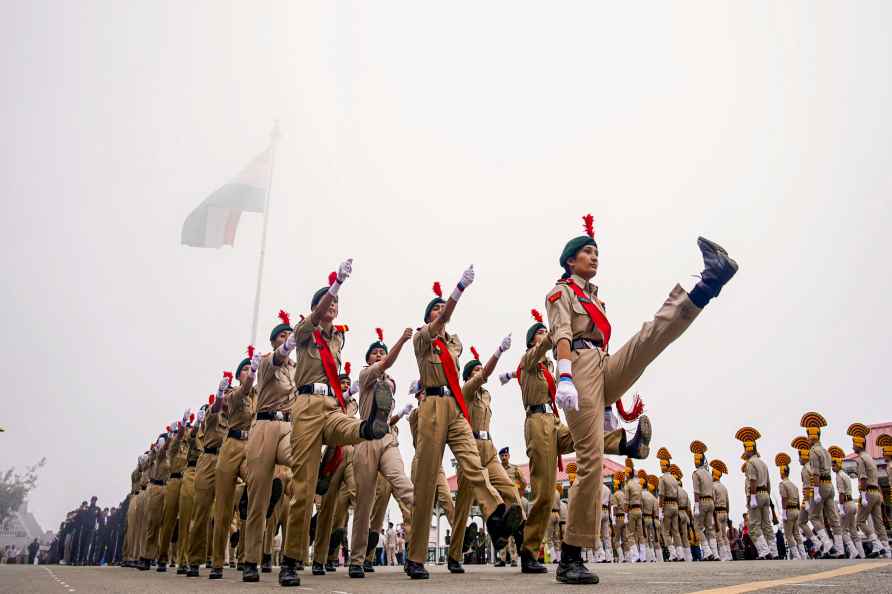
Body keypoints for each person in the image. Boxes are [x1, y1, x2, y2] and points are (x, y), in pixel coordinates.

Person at [543, 215, 737, 584]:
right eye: (587, 252)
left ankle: (708, 283)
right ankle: (570, 557)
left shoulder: (594, 295)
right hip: (578, 368)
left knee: (649, 340)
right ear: (570, 261)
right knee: (590, 459)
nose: (594, 256)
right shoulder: (560, 292)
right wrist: (565, 375)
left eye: (596, 251)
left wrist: (608, 404)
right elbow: (562, 334)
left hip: (600, 364)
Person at [280, 262, 392, 587]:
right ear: (317, 307)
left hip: (331, 405)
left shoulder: (337, 340)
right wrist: (336, 285)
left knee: (351, 429)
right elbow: (312, 320)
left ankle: (370, 426)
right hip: (305, 407)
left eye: (336, 304)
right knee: (304, 486)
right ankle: (292, 559)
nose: (333, 307)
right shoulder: (305, 333)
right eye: (328, 303)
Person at [405, 270, 521, 579]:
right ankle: (415, 556)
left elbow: (474, 374)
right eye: (435, 309)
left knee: (472, 462)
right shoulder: (421, 340)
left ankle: (496, 512)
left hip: (455, 408)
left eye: (444, 307)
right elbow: (440, 322)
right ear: (429, 316)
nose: (441, 311)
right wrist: (458, 290)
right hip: (430, 407)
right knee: (428, 483)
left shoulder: (453, 345)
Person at [447, 337, 520, 574]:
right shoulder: (465, 392)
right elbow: (481, 377)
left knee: (511, 490)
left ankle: (523, 545)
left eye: (480, 368)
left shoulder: (486, 396)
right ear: (468, 376)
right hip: (470, 449)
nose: (479, 373)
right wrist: (497, 352)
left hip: (489, 450)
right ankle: (454, 555)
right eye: (475, 370)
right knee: (463, 509)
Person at [348, 327, 415, 578]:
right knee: (365, 503)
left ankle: (416, 544)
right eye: (374, 353)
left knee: (402, 482)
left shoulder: (388, 382)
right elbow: (385, 364)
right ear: (368, 360)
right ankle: (357, 559)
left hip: (387, 438)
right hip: (365, 440)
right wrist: (402, 339)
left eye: (381, 352)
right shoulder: (365, 375)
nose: (379, 355)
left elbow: (388, 378)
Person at [242, 310, 297, 582]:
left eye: (289, 335)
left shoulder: (296, 370)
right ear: (275, 341)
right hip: (263, 427)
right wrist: (293, 339)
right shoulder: (265, 362)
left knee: (304, 463)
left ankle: (292, 557)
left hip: (288, 427)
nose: (287, 340)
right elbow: (279, 356)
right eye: (282, 337)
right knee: (258, 501)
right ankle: (250, 560)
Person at [209, 349, 257, 579]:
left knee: (258, 489)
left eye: (251, 368)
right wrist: (220, 392)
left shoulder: (260, 395)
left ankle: (249, 559)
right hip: (231, 446)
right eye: (245, 370)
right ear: (239, 376)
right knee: (224, 508)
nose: (249, 372)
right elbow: (219, 407)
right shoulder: (236, 394)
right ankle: (217, 561)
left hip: (252, 447)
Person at [800, 411, 843, 558]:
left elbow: (816, 473)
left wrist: (816, 491)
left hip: (820, 486)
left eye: (808, 435)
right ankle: (840, 548)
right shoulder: (825, 451)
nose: (807, 439)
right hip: (829, 485)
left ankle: (828, 544)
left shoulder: (813, 451)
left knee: (814, 517)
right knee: (833, 518)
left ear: (812, 436)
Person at [849, 423, 891, 559]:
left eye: (854, 444)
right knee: (879, 523)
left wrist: (862, 496)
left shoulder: (861, 459)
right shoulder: (870, 458)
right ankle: (886, 548)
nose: (852, 447)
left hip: (868, 492)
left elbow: (862, 478)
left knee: (860, 522)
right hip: (877, 492)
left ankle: (876, 543)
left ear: (859, 445)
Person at [736, 427, 774, 560]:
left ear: (749, 449)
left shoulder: (751, 463)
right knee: (767, 525)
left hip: (756, 494)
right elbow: (769, 483)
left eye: (745, 448)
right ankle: (773, 552)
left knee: (753, 526)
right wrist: (767, 497)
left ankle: (764, 552)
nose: (744, 452)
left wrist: (752, 497)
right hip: (765, 494)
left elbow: (752, 481)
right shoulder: (763, 463)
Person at [828, 445, 861, 559]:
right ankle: (861, 552)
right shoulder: (845, 475)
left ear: (838, 464)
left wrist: (841, 508)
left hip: (846, 504)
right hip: (852, 503)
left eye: (833, 465)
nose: (832, 467)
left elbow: (841, 493)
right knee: (853, 530)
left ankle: (853, 551)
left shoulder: (838, 476)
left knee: (843, 531)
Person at [791, 435, 819, 557]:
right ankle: (822, 543)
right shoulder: (810, 467)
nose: (798, 460)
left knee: (802, 522)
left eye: (799, 457)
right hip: (813, 496)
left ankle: (818, 542)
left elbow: (807, 486)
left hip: (809, 497)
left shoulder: (805, 469)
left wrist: (806, 501)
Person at [690, 441, 718, 561]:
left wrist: (696, 505)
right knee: (709, 528)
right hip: (711, 502)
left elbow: (696, 491)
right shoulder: (709, 474)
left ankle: (707, 551)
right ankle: (715, 553)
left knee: (698, 528)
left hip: (701, 501)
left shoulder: (696, 474)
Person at [775, 453, 804, 559]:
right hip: (796, 510)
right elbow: (799, 500)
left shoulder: (783, 484)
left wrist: (783, 512)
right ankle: (803, 554)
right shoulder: (794, 485)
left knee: (788, 535)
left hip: (789, 510)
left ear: (782, 472)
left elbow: (784, 498)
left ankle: (796, 555)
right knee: (796, 533)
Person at [657, 448, 683, 561]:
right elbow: (677, 495)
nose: (660, 467)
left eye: (661, 465)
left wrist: (660, 509)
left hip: (667, 506)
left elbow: (661, 495)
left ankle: (673, 554)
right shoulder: (674, 478)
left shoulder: (662, 478)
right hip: (675, 506)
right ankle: (680, 553)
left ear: (664, 465)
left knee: (666, 531)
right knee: (676, 531)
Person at [670, 465, 693, 562]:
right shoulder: (685, 492)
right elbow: (689, 508)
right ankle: (689, 556)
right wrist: (691, 520)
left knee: (677, 535)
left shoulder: (673, 491)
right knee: (684, 536)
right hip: (685, 515)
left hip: (677, 514)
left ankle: (680, 555)